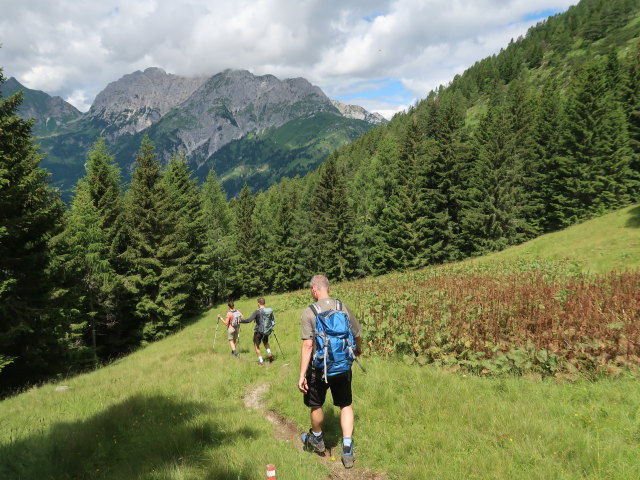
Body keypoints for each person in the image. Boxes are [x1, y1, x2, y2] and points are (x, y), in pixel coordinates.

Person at [298, 274, 363, 469]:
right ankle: (347, 446)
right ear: (328, 288)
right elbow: (357, 333)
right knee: (345, 405)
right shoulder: (341, 307)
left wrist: (302, 375)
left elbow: (308, 346)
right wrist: (358, 349)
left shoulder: (309, 312)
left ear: (314, 290)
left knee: (316, 404)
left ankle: (317, 438)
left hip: (320, 369)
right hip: (343, 365)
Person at [240, 297, 275, 365]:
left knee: (256, 345)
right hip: (266, 331)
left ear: (258, 304)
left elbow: (249, 320)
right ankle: (269, 354)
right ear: (264, 303)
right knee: (265, 342)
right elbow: (272, 321)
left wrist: (240, 321)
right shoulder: (269, 311)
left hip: (258, 331)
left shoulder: (257, 311)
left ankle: (261, 361)